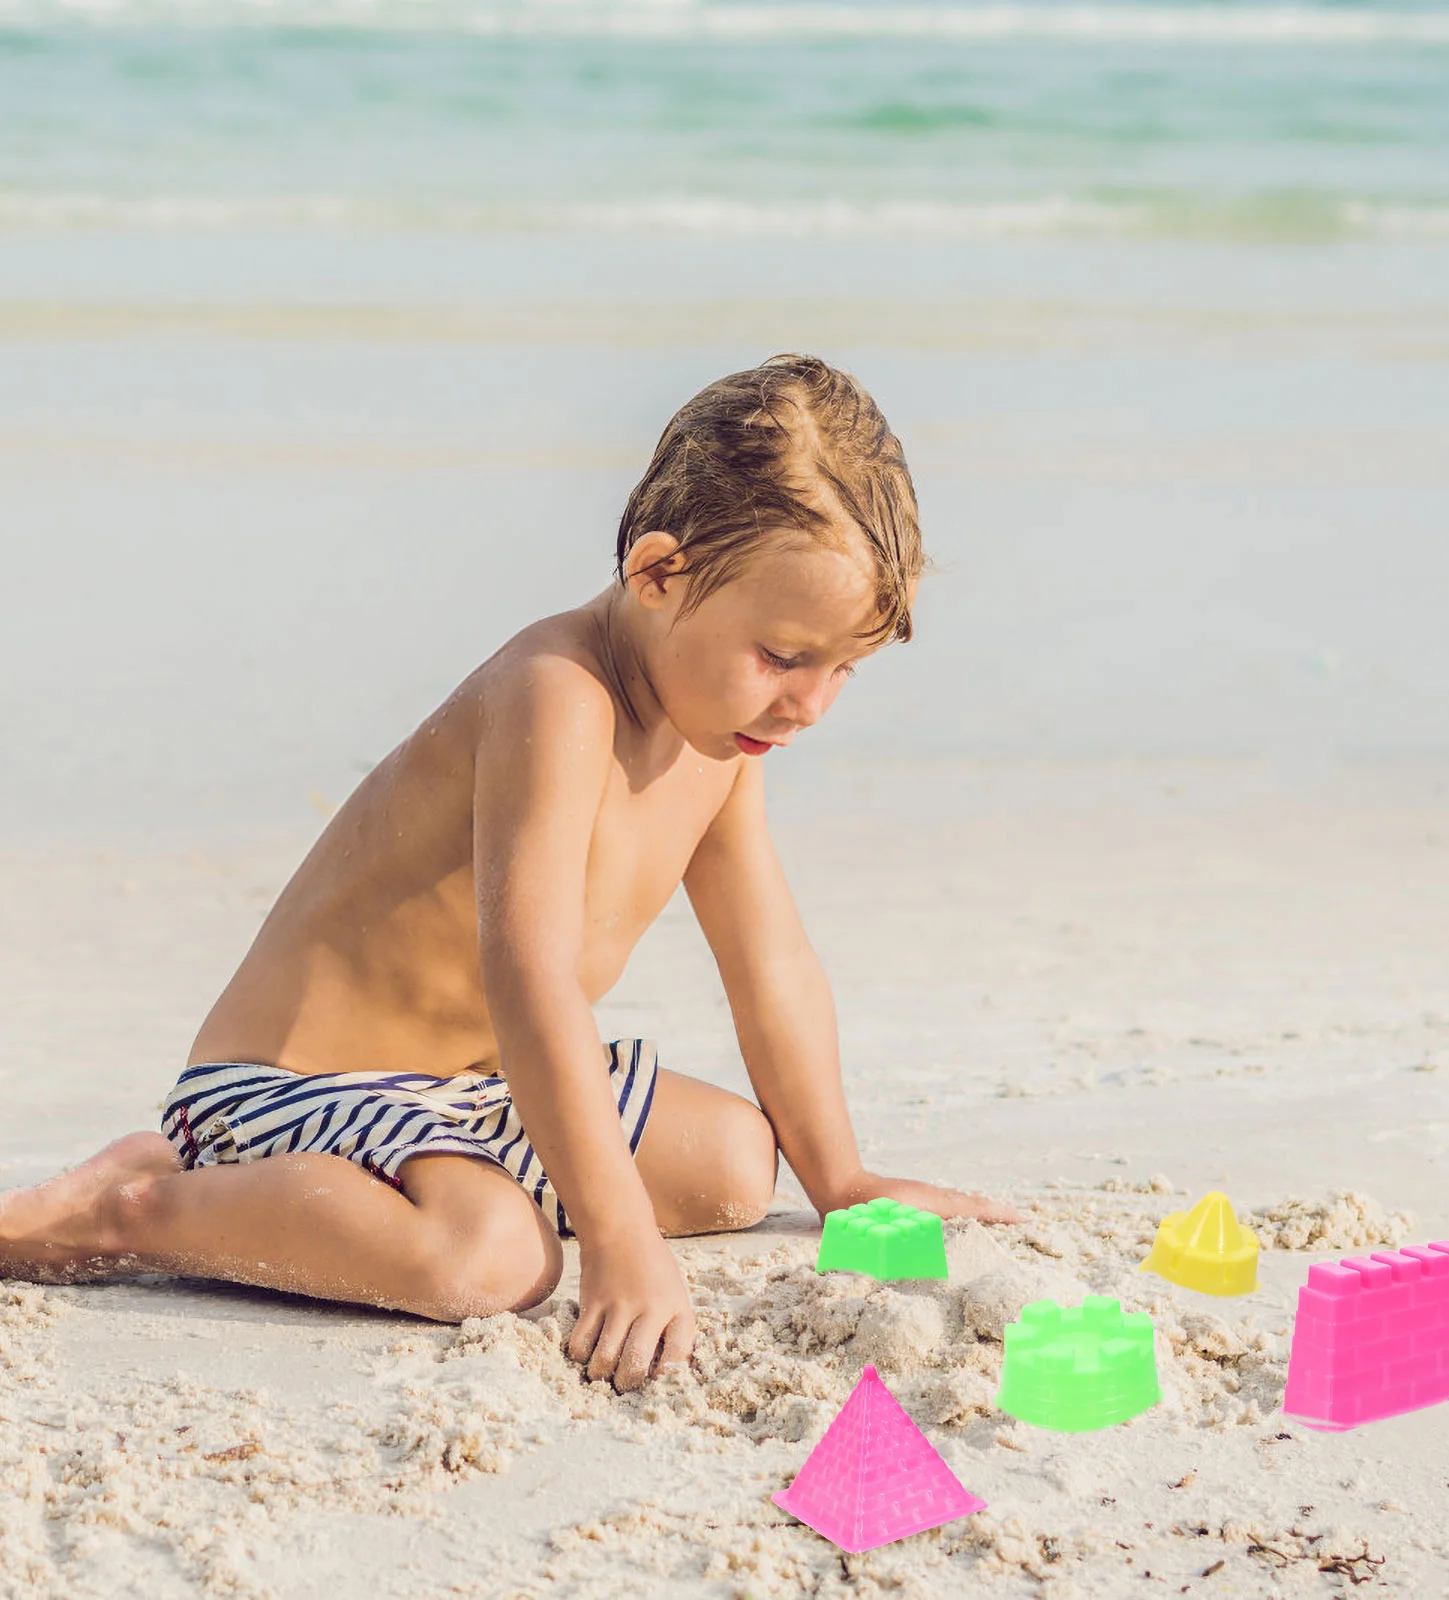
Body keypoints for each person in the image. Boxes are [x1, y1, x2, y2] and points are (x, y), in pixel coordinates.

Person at [0, 353, 1020, 1392]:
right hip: (293, 1088)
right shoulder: (557, 694)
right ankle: (135, 1204)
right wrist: (621, 1238)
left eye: (841, 669)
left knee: (732, 1162)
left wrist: (840, 1179)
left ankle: (321, 1189)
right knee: (494, 1259)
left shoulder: (719, 737)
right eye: (782, 656)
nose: (809, 704)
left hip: (469, 1093)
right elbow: (524, 971)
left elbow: (773, 961)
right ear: (658, 575)